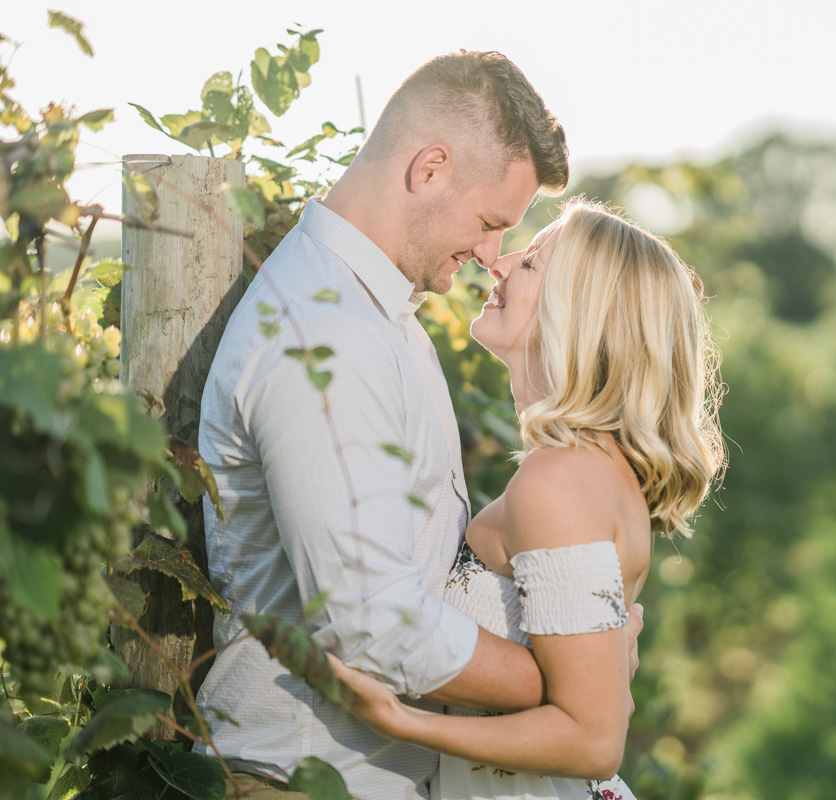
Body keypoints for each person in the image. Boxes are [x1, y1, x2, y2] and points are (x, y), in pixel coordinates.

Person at [194, 51, 636, 800]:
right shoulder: (325, 337)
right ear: (429, 169)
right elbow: (371, 621)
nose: (491, 256)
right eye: (491, 222)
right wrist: (564, 681)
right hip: (306, 778)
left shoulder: (378, 315)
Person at [329, 197, 725, 799]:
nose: (502, 262)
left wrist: (400, 719)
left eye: (534, 262)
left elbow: (593, 739)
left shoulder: (561, 479)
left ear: (582, 314)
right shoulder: (591, 469)